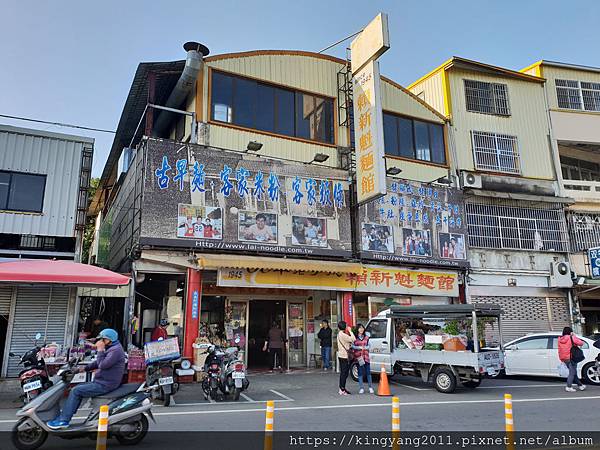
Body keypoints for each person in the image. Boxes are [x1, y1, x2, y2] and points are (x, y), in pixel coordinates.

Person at [47, 329, 126, 429]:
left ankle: (63, 420)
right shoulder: (111, 348)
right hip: (102, 381)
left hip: (105, 384)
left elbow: (102, 365)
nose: (100, 341)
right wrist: (82, 369)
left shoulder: (115, 350)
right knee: (77, 388)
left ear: (109, 340)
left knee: (76, 391)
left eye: (102, 339)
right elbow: (97, 363)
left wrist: (100, 350)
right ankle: (65, 416)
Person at [558, 326, 586, 392]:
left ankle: (580, 385)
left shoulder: (560, 339)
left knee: (573, 372)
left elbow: (559, 349)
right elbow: (581, 343)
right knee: (572, 373)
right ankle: (569, 386)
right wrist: (574, 336)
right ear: (570, 332)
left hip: (564, 358)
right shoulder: (571, 337)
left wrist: (561, 359)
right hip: (571, 357)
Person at [352, 323, 374, 394]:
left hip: (366, 357)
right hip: (359, 357)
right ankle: (361, 388)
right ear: (357, 329)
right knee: (360, 373)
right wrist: (359, 347)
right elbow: (352, 346)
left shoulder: (366, 337)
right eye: (360, 328)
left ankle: (370, 387)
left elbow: (369, 346)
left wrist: (365, 348)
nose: (361, 329)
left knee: (368, 372)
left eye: (362, 328)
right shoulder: (355, 338)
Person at [336, 320, 355, 395]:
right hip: (344, 356)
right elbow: (353, 339)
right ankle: (342, 389)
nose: (347, 327)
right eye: (346, 326)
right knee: (344, 373)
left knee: (343, 373)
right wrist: (350, 331)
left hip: (341, 355)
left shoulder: (339, 334)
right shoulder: (343, 335)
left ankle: (342, 388)